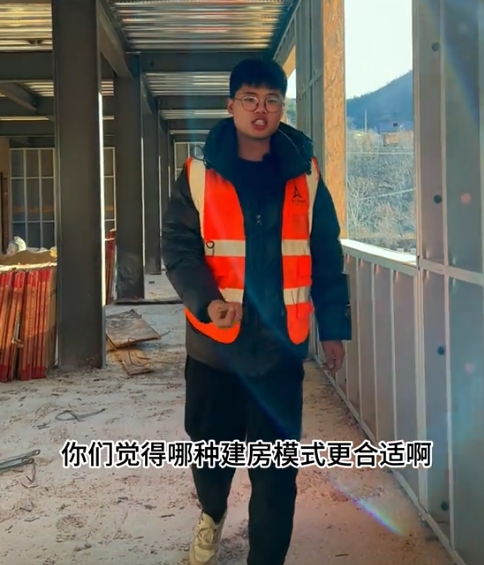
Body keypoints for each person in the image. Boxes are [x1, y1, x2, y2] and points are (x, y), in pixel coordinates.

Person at [161, 57, 351, 565]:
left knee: (276, 476)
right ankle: (212, 511)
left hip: (280, 352)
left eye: (271, 100)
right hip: (215, 350)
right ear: (231, 106)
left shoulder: (306, 175)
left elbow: (325, 254)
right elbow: (178, 248)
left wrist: (333, 328)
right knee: (210, 456)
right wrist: (207, 301)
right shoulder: (198, 174)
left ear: (282, 108)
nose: (260, 110)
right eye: (249, 99)